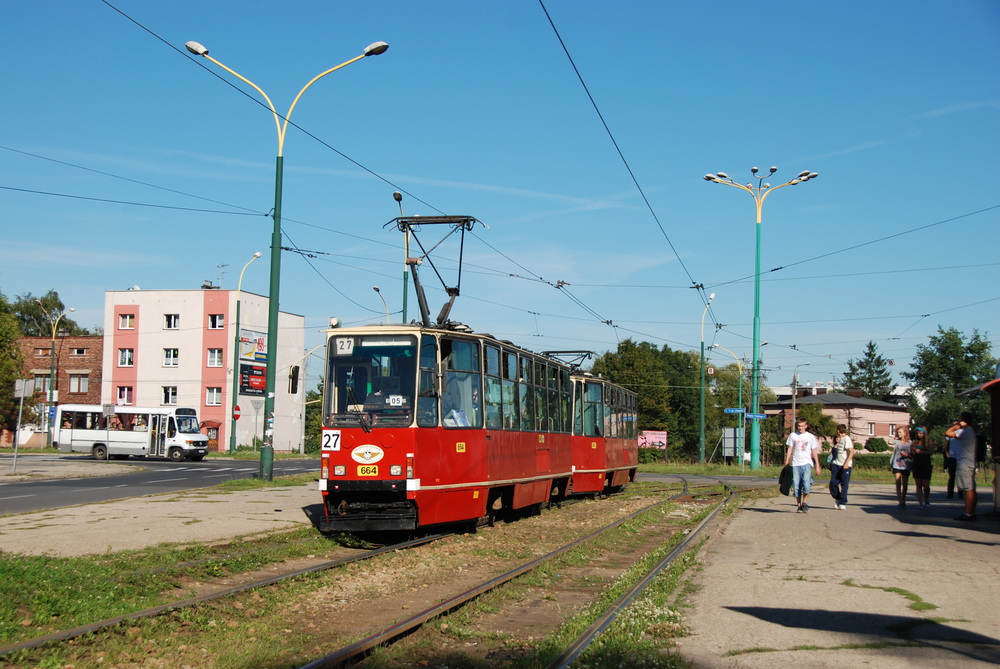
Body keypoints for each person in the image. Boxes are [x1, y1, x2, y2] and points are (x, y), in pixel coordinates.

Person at [945, 412, 978, 521]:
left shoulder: (964, 431)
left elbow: (947, 433)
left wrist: (956, 426)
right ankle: (971, 511)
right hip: (969, 462)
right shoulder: (971, 431)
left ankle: (968, 513)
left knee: (967, 489)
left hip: (964, 462)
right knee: (971, 488)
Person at [784, 418, 821, 513]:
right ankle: (799, 505)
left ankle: (805, 502)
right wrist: (787, 461)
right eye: (799, 426)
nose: (800, 428)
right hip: (796, 463)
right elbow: (790, 448)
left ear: (806, 426)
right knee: (796, 485)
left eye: (802, 426)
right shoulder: (793, 435)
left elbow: (814, 451)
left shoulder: (810, 437)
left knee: (806, 483)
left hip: (807, 463)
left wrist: (817, 465)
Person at [828, 424, 854, 510]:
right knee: (833, 483)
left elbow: (851, 452)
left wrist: (846, 463)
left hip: (845, 465)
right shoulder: (841, 439)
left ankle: (842, 502)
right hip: (836, 464)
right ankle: (838, 498)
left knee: (844, 484)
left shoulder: (847, 439)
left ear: (838, 431)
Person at [910, 426, 934, 509]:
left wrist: (921, 451)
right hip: (916, 463)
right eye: (917, 433)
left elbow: (931, 452)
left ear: (924, 433)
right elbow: (913, 454)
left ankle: (926, 498)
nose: (918, 435)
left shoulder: (929, 441)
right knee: (918, 484)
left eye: (920, 433)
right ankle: (920, 503)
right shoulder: (914, 441)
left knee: (926, 484)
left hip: (926, 463)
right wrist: (912, 452)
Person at [889, 426, 912, 509]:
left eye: (900, 432)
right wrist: (894, 436)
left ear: (905, 433)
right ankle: (900, 501)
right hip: (897, 464)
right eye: (898, 432)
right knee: (898, 482)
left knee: (905, 483)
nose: (899, 434)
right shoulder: (897, 441)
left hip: (906, 464)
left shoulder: (910, 442)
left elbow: (912, 454)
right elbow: (890, 442)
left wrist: (907, 455)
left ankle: (903, 498)